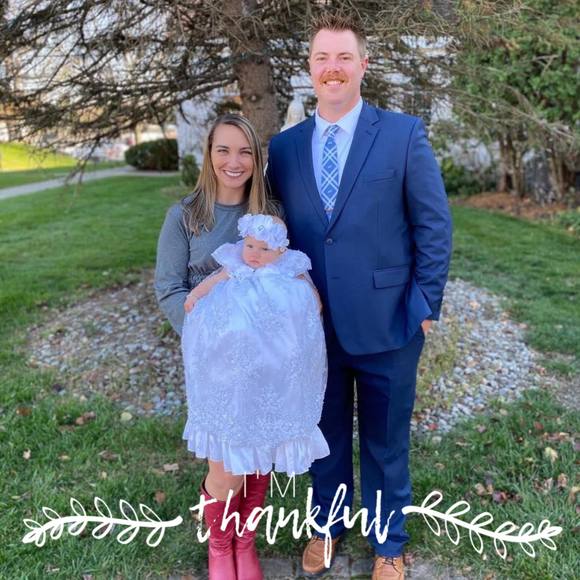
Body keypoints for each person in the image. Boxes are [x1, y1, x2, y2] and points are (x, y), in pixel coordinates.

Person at [266, 12, 453, 580]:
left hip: (389, 323)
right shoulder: (284, 149)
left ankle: (389, 543)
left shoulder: (402, 134)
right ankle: (326, 527)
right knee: (323, 436)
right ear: (309, 67)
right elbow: (275, 232)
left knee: (384, 442)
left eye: (344, 57)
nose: (333, 68)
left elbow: (433, 226)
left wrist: (423, 307)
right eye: (322, 57)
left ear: (363, 65)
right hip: (312, 326)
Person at [154, 114, 283, 580]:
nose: (234, 161)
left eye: (245, 151)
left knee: (259, 454)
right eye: (223, 150)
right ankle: (219, 545)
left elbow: (285, 277)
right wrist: (206, 339)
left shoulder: (271, 216)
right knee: (226, 464)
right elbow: (169, 288)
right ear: (209, 155)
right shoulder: (186, 216)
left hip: (265, 355)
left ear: (257, 159)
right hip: (214, 360)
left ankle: (245, 544)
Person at [181, 212, 328, 475]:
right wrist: (194, 296)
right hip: (237, 342)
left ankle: (269, 428)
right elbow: (213, 281)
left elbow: (308, 289)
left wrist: (313, 303)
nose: (254, 254)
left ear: (280, 250)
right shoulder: (235, 264)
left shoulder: (287, 266)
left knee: (276, 377)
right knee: (235, 373)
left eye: (264, 249)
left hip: (275, 344)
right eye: (249, 245)